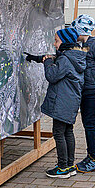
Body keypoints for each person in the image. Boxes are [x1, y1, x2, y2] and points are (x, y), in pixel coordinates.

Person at [25, 27, 86, 178]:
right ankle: (70, 166)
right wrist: (37, 58)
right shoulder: (75, 55)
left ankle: (62, 167)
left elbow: (52, 75)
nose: (54, 44)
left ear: (65, 42)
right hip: (70, 101)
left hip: (62, 102)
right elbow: (53, 59)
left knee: (59, 133)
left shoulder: (65, 58)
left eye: (57, 41)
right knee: (68, 132)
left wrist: (47, 63)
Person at [70, 14, 95, 173]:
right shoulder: (82, 44)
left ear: (81, 29)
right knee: (87, 124)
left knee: (91, 125)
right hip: (86, 91)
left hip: (93, 93)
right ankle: (91, 156)